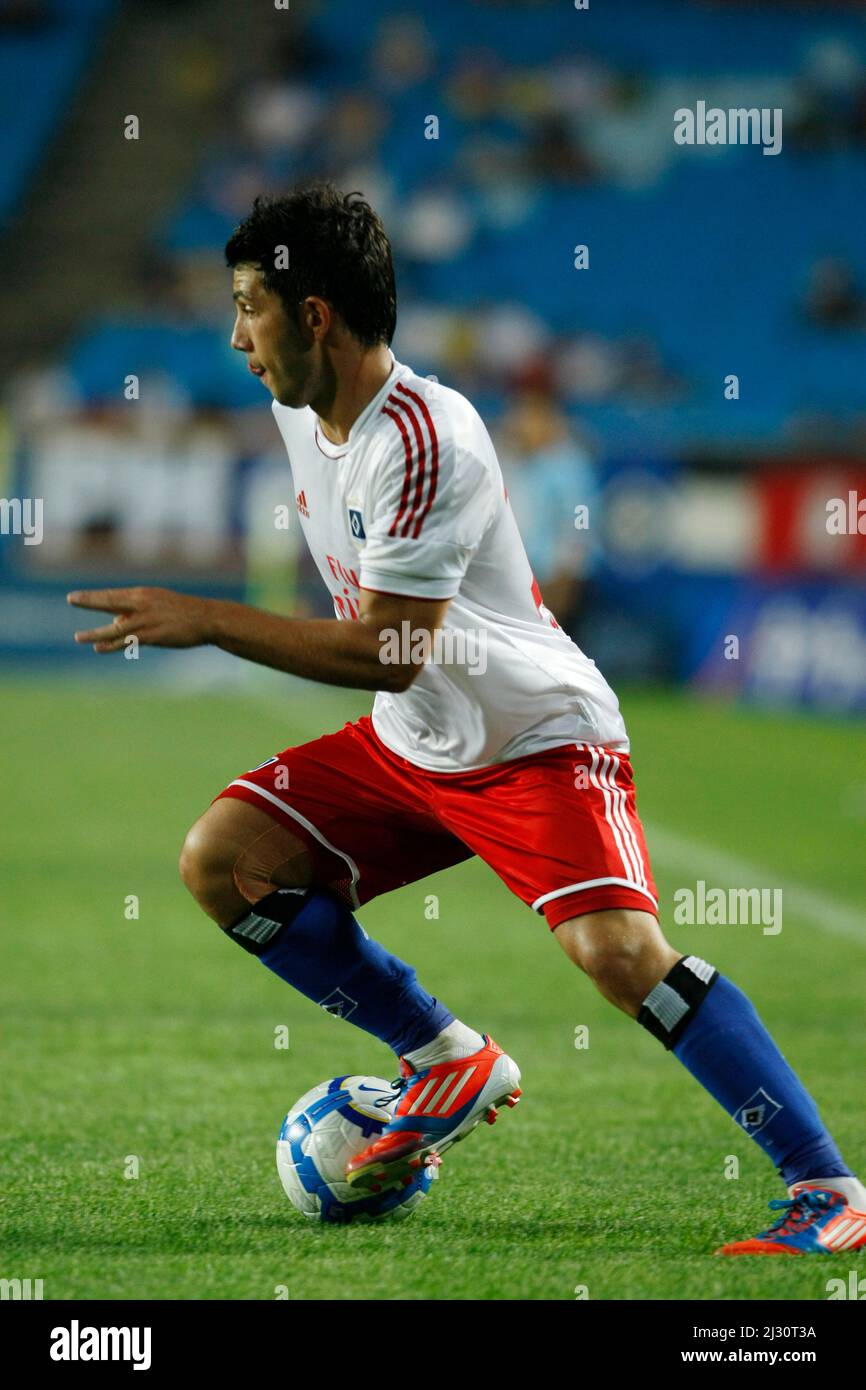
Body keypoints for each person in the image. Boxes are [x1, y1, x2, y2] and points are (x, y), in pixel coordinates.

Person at [69, 184, 866, 1253]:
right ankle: (440, 1052)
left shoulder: (426, 436)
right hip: (415, 746)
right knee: (225, 859)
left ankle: (826, 1187)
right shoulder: (299, 413)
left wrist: (207, 619)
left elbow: (391, 652)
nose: (234, 335)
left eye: (250, 305)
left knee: (617, 953)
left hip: (532, 736)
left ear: (314, 314)